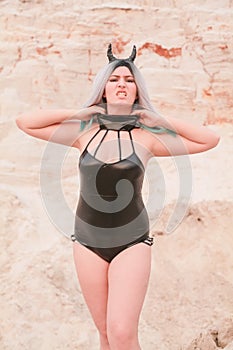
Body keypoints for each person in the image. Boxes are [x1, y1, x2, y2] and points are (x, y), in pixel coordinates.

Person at [16, 44, 220, 350]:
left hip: (131, 243)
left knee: (123, 334)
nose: (121, 84)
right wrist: (82, 113)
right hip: (86, 243)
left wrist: (155, 118)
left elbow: (210, 139)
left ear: (137, 89)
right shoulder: (83, 133)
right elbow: (25, 122)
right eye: (113, 80)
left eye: (128, 80)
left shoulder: (148, 139)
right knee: (106, 335)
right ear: (103, 89)